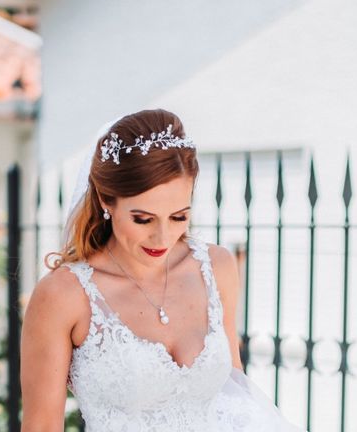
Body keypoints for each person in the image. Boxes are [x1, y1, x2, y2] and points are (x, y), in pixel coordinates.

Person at [20, 109, 307, 431]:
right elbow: (41, 426)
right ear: (106, 200)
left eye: (178, 216)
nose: (162, 237)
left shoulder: (217, 267)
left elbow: (236, 400)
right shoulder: (63, 295)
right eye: (143, 219)